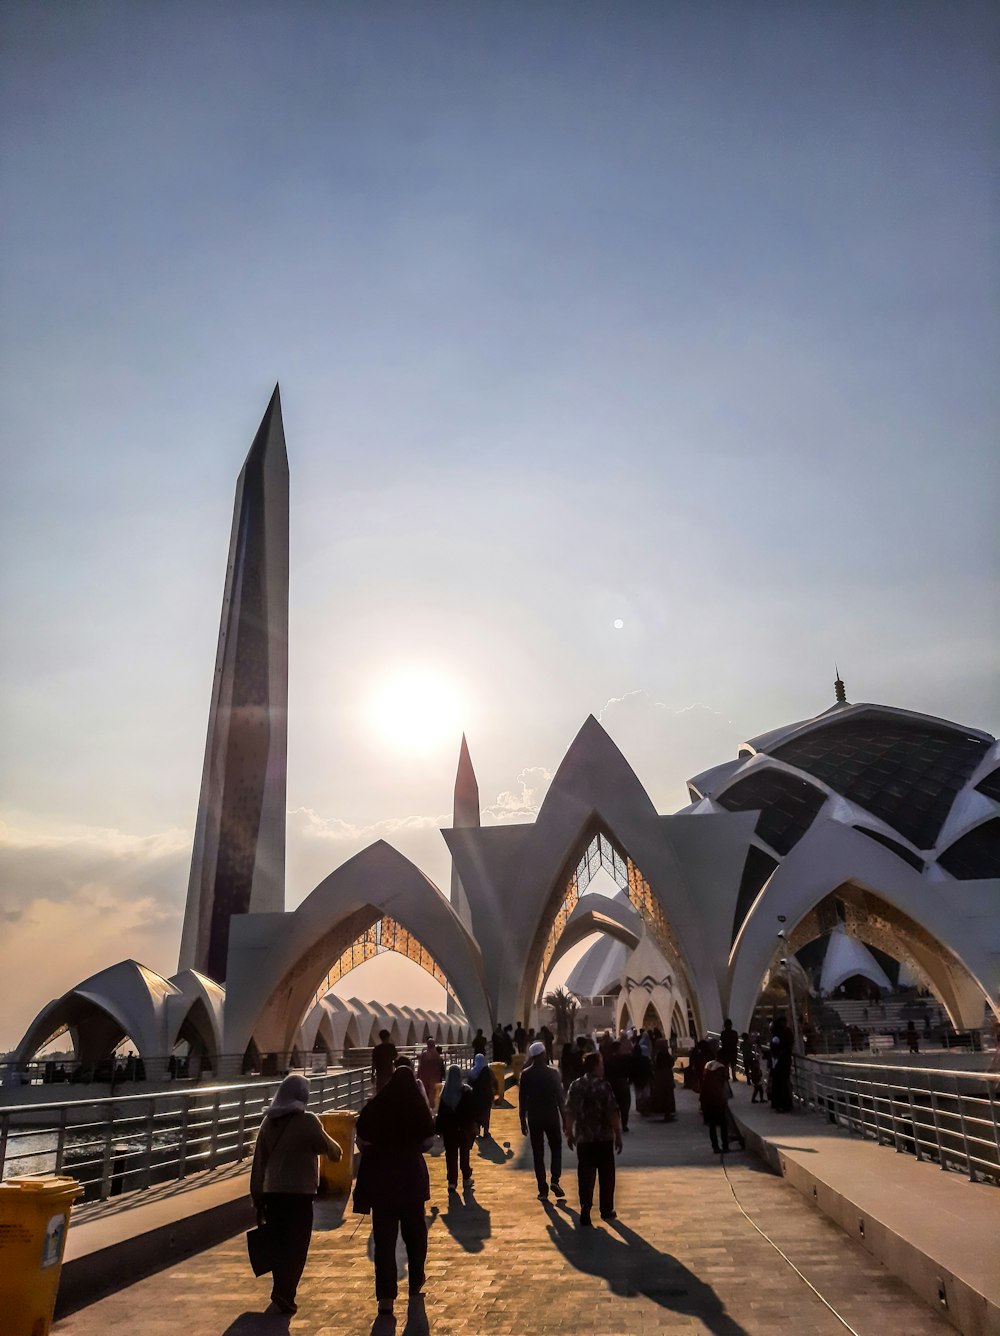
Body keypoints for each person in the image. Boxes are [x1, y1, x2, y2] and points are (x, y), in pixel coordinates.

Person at [250, 1074, 344, 1316]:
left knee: (279, 1243)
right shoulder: (308, 1122)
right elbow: (335, 1152)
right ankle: (285, 1293)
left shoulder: (267, 1123)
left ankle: (280, 1289)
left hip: (272, 1194)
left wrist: (257, 1196)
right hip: (299, 1195)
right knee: (297, 1246)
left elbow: (258, 1162)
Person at [354, 1064, 436, 1321]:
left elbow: (362, 1139)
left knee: (385, 1242)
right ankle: (416, 1280)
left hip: (382, 1182)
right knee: (415, 1233)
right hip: (410, 1179)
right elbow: (428, 1141)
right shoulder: (417, 1106)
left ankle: (386, 1298)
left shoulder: (376, 1105)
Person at [565, 1052, 623, 1226]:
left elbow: (570, 1112)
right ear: (596, 1066)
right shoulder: (604, 1086)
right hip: (603, 1138)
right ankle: (606, 1209)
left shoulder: (576, 1085)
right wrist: (618, 1135)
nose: (603, 1067)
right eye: (601, 1064)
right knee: (606, 1175)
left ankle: (585, 1206)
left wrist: (569, 1133)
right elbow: (613, 1112)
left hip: (584, 1139)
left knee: (585, 1174)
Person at [518, 1040, 566, 1201]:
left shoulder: (526, 1074)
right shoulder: (553, 1073)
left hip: (534, 1118)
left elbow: (522, 1100)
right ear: (544, 1054)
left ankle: (542, 1189)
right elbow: (560, 1098)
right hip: (551, 1116)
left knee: (538, 1153)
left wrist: (522, 1121)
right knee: (556, 1148)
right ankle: (555, 1180)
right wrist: (565, 1120)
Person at [436, 1065, 477, 1193]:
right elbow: (471, 1112)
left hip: (449, 1131)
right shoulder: (466, 1091)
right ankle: (466, 1178)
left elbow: (440, 1114)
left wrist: (438, 1130)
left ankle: (452, 1182)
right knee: (464, 1154)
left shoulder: (444, 1093)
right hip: (463, 1130)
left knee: (451, 1156)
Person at [699, 1050, 733, 1154]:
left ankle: (715, 1147)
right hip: (717, 1099)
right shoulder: (721, 1068)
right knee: (723, 1124)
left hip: (705, 1098)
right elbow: (723, 1083)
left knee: (712, 1125)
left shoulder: (708, 1064)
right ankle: (725, 1146)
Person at [604, 1040, 632, 1132]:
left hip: (611, 1084)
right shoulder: (624, 1059)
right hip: (622, 1083)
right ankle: (624, 1124)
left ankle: (614, 1123)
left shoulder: (607, 1060)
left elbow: (605, 1074)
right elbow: (629, 1070)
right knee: (624, 1104)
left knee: (613, 1105)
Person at [467, 1052, 495, 1137]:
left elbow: (469, 1084)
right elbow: (494, 1081)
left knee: (476, 1114)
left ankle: (478, 1131)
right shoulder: (488, 1070)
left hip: (475, 1096)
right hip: (486, 1096)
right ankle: (486, 1131)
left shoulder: (472, 1072)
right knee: (486, 1114)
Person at [416, 1040, 445, 1108]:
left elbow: (420, 1066)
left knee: (425, 1093)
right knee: (434, 1094)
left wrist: (418, 1075)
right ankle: (433, 1109)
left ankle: (426, 1108)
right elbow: (441, 1067)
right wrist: (443, 1076)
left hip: (424, 1077)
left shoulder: (424, 1054)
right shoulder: (438, 1055)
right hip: (435, 1077)